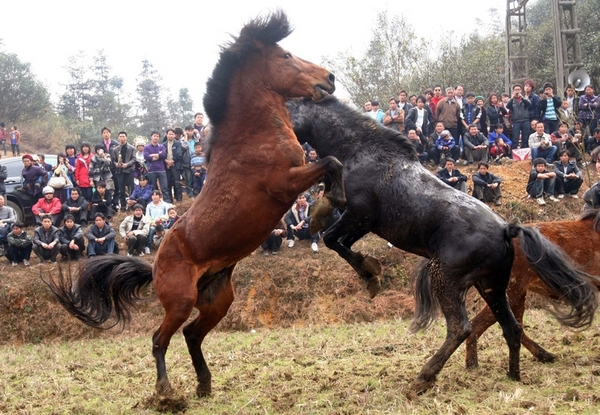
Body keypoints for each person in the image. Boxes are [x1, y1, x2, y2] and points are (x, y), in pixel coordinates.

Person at [111, 131, 136, 212]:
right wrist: (116, 164)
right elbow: (113, 160)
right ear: (118, 138)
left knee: (131, 189)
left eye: (123, 136)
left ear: (126, 137)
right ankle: (123, 207)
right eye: (120, 136)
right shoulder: (115, 149)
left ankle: (132, 206)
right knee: (121, 190)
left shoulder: (132, 148)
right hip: (119, 171)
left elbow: (134, 159)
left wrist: (127, 164)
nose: (122, 138)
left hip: (129, 171)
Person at [144, 131, 170, 203]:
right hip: (151, 170)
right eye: (154, 136)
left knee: (164, 187)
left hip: (161, 169)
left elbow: (163, 155)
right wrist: (158, 155)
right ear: (151, 137)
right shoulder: (146, 147)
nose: (156, 137)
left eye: (157, 136)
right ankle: (152, 202)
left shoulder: (161, 146)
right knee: (153, 188)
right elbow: (146, 157)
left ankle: (167, 201)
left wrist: (152, 155)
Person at [144, 190, 171, 254]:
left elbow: (167, 214)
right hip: (153, 223)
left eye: (156, 195)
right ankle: (147, 246)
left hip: (163, 222)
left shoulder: (164, 205)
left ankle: (165, 247)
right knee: (152, 229)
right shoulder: (149, 206)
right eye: (153, 195)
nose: (155, 197)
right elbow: (147, 216)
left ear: (160, 196)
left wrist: (161, 218)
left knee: (164, 229)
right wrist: (151, 222)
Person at [506, 84, 532, 148]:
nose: (517, 91)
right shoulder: (511, 100)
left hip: (525, 120)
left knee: (525, 138)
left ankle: (525, 153)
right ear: (513, 91)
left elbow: (529, 104)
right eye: (515, 90)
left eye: (518, 89)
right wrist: (512, 98)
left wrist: (522, 98)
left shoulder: (525, 98)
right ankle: (513, 154)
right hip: (516, 121)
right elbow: (507, 106)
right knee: (515, 138)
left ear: (521, 90)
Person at [163, 128, 183, 203]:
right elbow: (162, 155)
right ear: (166, 135)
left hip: (175, 165)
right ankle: (170, 201)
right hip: (167, 166)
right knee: (168, 183)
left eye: (172, 134)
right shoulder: (163, 144)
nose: (171, 136)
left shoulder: (178, 143)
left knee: (177, 183)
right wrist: (166, 162)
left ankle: (179, 199)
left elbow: (179, 154)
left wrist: (172, 161)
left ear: (174, 135)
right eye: (169, 134)